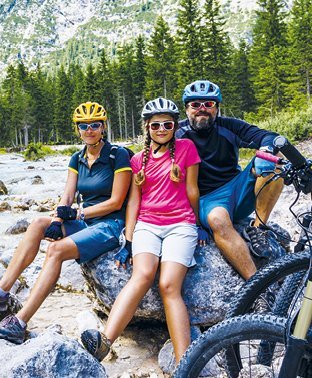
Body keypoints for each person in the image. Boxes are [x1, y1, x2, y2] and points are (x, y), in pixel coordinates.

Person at [0, 101, 133, 344]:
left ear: (103, 127)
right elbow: (67, 196)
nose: (89, 130)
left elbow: (117, 202)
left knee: (55, 250)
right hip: (84, 223)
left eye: (95, 125)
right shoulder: (77, 158)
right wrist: (56, 218)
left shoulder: (118, 155)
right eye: (83, 126)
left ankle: (19, 322)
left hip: (109, 225)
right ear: (77, 129)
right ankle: (1, 292)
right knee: (37, 224)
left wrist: (78, 214)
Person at [79, 98, 202, 363]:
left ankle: (185, 364)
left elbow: (192, 190)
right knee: (142, 275)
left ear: (175, 126)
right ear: (147, 127)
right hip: (147, 224)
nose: (161, 129)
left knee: (169, 285)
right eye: (155, 125)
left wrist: (200, 224)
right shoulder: (137, 160)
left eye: (167, 124)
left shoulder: (186, 148)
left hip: (180, 225)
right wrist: (130, 238)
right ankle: (105, 342)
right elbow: (134, 201)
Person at [176, 80, 284, 279]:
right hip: (206, 199)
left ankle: (258, 230)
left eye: (209, 104)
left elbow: (269, 136)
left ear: (217, 108)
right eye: (196, 104)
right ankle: (256, 286)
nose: (202, 109)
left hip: (237, 189)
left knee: (276, 161)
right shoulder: (177, 134)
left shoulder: (228, 126)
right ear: (186, 108)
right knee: (218, 220)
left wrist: (266, 151)